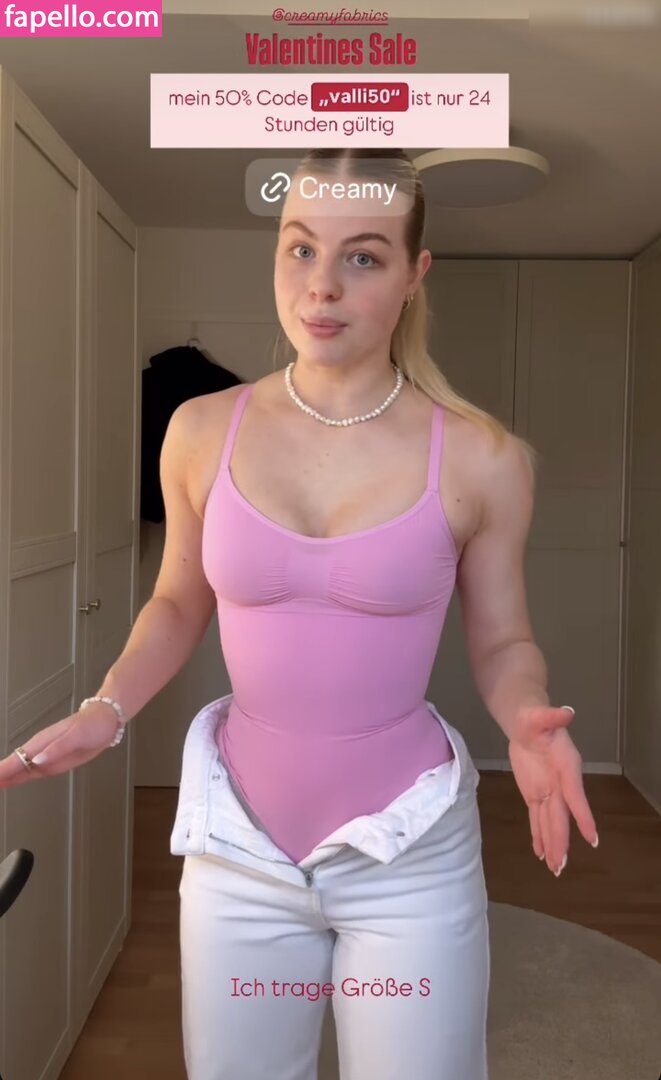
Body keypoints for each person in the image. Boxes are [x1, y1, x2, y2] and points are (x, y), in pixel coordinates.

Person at [0, 148, 599, 1080]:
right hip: (238, 847)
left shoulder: (482, 457)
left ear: (413, 274)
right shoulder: (200, 429)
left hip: (406, 853)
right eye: (299, 248)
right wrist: (107, 708)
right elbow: (177, 599)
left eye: (362, 256)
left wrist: (526, 716)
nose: (321, 285)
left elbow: (503, 639)